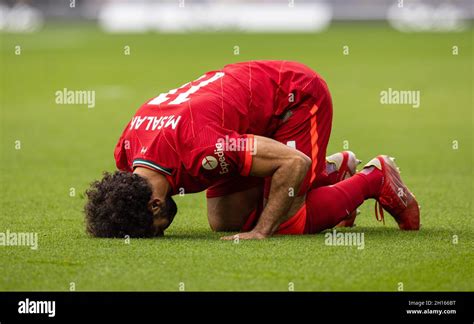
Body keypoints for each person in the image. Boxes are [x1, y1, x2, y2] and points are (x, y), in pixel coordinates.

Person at [84, 60, 420, 240]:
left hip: (294, 98)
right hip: (241, 120)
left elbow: (293, 161)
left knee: (285, 219)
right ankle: (331, 173)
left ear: (154, 203)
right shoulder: (127, 150)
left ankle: (374, 177)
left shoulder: (205, 150)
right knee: (227, 221)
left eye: (154, 228)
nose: (162, 230)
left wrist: (262, 232)